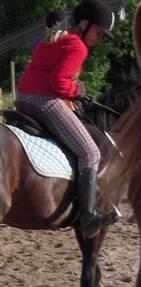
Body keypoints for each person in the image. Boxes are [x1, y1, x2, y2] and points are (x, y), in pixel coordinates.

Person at [16, 0, 120, 238]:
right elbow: (58, 82)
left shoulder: (53, 38)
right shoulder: (77, 45)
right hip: (44, 102)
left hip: (23, 98)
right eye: (99, 33)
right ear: (85, 24)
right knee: (91, 153)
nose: (99, 39)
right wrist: (78, 92)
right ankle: (88, 216)